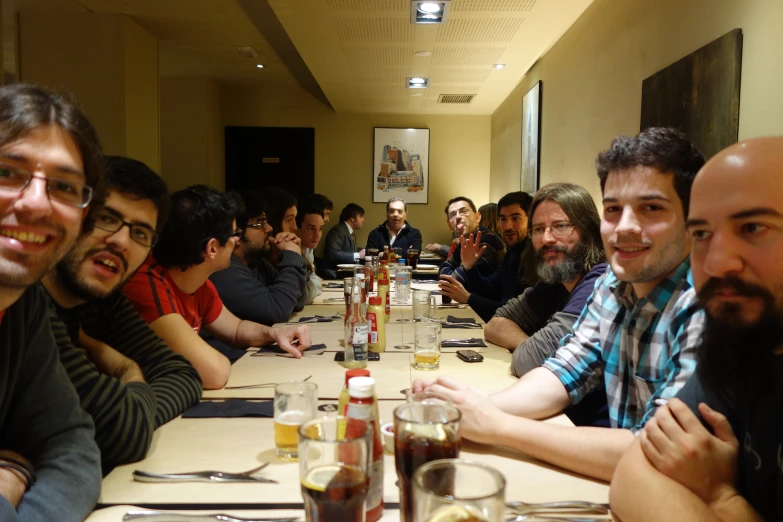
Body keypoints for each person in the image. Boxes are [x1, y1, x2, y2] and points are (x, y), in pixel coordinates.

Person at [414, 127, 705, 482]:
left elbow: (657, 454)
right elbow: (561, 374)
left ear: (694, 220)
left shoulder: (707, 306)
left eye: (651, 208)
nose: (624, 227)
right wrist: (466, 407)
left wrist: (498, 426)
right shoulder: (613, 287)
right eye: (614, 208)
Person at [610, 137, 783, 522]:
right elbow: (634, 472)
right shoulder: (740, 344)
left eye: (753, 227)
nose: (717, 262)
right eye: (702, 234)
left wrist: (721, 497)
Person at [42, 156, 202, 473]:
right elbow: (125, 432)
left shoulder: (103, 300)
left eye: (140, 233)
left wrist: (128, 381)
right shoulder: (30, 304)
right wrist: (130, 379)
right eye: (105, 218)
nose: (120, 241)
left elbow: (183, 375)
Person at [0, 83, 103, 520]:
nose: (37, 203)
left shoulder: (21, 305)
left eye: (64, 186)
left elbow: (72, 444)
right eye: (7, 172)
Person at [123, 185, 312, 390]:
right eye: (234, 234)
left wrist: (275, 334)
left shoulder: (198, 281)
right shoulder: (147, 284)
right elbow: (214, 373)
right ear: (212, 248)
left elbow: (237, 329)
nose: (237, 241)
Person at [485, 184, 607, 376]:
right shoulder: (555, 281)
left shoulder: (600, 280)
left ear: (588, 229)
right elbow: (494, 324)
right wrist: (530, 345)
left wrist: (531, 350)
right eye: (539, 229)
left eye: (560, 226)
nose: (546, 239)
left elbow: (526, 362)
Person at [210, 190, 308, 326]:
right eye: (260, 223)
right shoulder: (225, 270)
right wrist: (292, 256)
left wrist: (289, 258)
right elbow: (277, 311)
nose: (269, 228)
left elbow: (297, 300)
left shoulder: (256, 262)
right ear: (237, 232)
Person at [439, 192, 534, 321]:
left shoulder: (532, 256)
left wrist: (468, 298)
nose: (508, 226)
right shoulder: (513, 252)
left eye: (515, 218)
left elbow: (511, 312)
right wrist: (469, 268)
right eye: (503, 219)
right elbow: (489, 288)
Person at [439, 196, 505, 282]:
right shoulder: (465, 241)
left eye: (463, 211)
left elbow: (461, 280)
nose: (458, 217)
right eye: (452, 214)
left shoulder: (487, 239)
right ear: (449, 225)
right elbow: (444, 267)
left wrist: (452, 274)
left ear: (477, 217)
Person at [321, 203, 365, 279]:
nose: (363, 220)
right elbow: (334, 253)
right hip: (333, 274)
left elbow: (350, 249)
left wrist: (367, 251)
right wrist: (358, 255)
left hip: (343, 273)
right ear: (352, 218)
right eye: (361, 216)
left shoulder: (347, 230)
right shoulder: (338, 230)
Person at [295, 203, 325, 303]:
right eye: (311, 228)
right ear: (296, 227)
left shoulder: (308, 249)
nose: (317, 235)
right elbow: (306, 293)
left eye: (320, 229)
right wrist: (315, 282)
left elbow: (312, 278)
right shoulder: (290, 252)